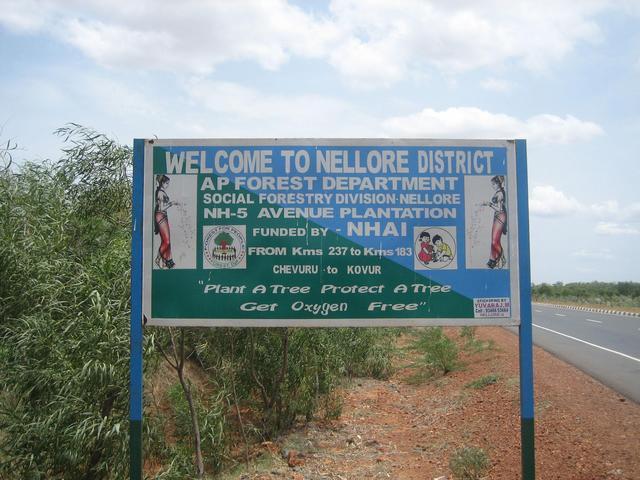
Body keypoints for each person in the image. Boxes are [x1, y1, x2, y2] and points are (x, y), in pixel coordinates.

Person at [482, 175, 507, 269]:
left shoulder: (500, 194)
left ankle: (502, 257)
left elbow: (499, 209)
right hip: (497, 216)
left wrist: (489, 204)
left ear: (498, 184)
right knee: (494, 240)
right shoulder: (498, 192)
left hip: (500, 216)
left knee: (494, 241)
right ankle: (492, 260)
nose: (492, 186)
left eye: (494, 184)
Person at [154, 174, 177, 269]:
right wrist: (172, 203)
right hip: (161, 215)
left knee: (166, 240)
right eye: (167, 183)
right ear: (162, 183)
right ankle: (158, 259)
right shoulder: (160, 192)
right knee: (166, 241)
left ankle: (167, 262)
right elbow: (162, 207)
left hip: (163, 215)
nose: (168, 185)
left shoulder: (162, 192)